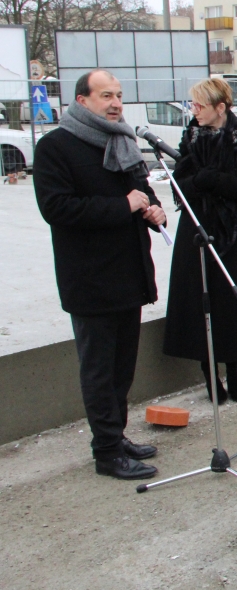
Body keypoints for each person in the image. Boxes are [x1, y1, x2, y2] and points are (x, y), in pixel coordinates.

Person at [34, 69, 165, 480]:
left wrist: (153, 210)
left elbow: (142, 191)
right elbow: (57, 208)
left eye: (119, 96)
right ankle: (106, 452)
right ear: (82, 100)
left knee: (122, 368)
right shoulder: (56, 147)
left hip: (129, 274)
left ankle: (115, 435)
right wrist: (124, 206)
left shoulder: (121, 141)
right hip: (90, 279)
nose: (116, 104)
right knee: (99, 370)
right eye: (106, 95)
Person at [163, 79, 237, 403]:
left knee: (231, 304)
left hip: (231, 230)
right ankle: (209, 374)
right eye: (192, 105)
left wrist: (218, 181)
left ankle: (233, 370)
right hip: (195, 229)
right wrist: (199, 181)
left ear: (220, 107)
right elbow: (179, 186)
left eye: (200, 105)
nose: (194, 111)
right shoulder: (191, 137)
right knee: (199, 302)